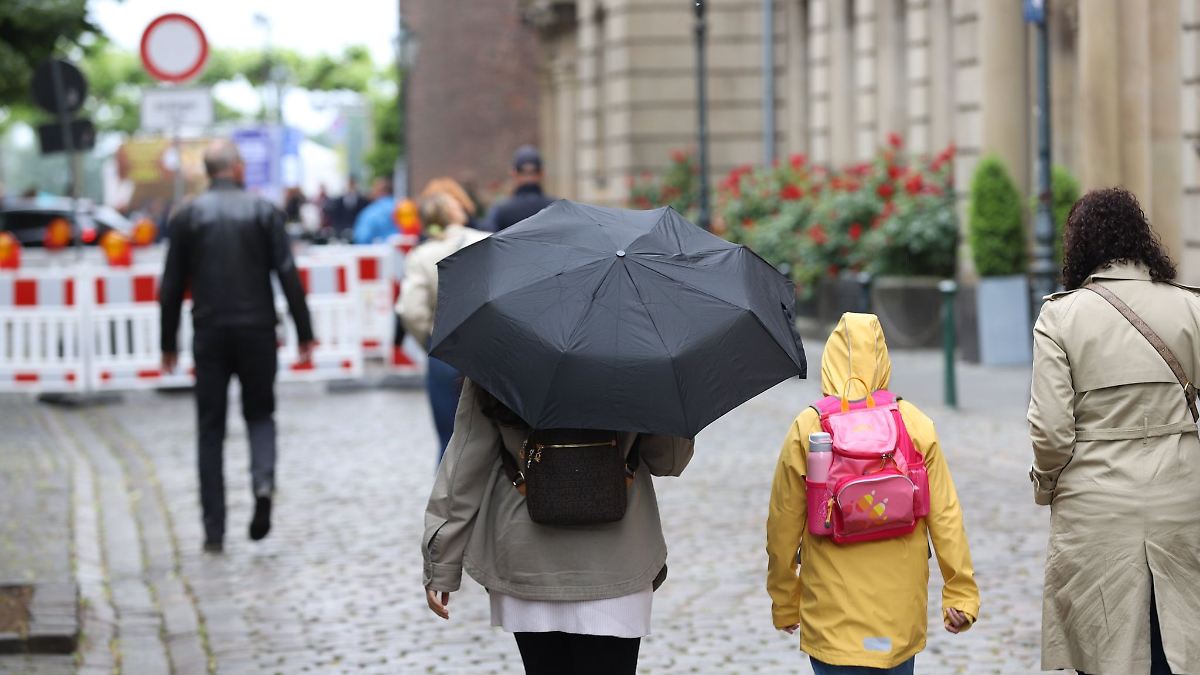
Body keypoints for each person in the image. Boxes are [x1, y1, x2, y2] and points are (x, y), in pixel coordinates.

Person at [1029, 188, 1199, 675]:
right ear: (1142, 239)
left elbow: (1052, 432)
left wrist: (1047, 485)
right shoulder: (1190, 308)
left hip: (1095, 504)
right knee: (1181, 641)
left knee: (1104, 650)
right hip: (1182, 497)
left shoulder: (1061, 317)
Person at [421, 382, 694, 674]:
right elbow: (669, 460)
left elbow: (466, 459)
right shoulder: (638, 354)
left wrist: (442, 561)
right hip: (616, 557)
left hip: (527, 555)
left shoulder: (504, 347)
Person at [766, 313, 979, 674]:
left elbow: (782, 527)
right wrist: (961, 594)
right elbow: (945, 516)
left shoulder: (809, 427)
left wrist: (786, 602)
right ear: (883, 359)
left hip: (831, 612)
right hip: (897, 616)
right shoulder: (913, 423)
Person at [159, 140, 315, 554]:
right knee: (261, 414)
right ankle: (262, 484)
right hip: (257, 330)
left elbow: (172, 283)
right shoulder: (263, 211)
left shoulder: (188, 215)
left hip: (209, 332)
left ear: (209, 171)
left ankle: (214, 529)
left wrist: (166, 341)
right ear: (238, 168)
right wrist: (304, 331)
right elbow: (286, 273)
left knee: (210, 429)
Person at [397, 192, 488, 460]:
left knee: (448, 441)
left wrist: (429, 338)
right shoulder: (486, 241)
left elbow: (411, 310)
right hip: (488, 346)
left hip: (445, 349)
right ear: (456, 212)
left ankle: (449, 498)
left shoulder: (421, 255)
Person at [482, 145, 555, 232]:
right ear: (542, 173)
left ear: (513, 173)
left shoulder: (501, 211)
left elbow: (485, 234)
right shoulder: (558, 209)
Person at [351, 175, 398, 244]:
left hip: (378, 252)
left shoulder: (370, 213)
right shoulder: (404, 208)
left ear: (377, 191)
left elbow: (362, 238)